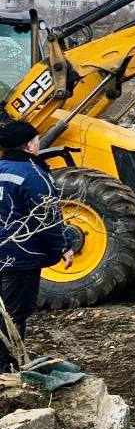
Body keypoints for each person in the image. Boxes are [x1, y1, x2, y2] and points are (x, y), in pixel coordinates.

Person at [0, 121, 74, 372]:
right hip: (20, 256)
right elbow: (47, 219)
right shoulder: (34, 175)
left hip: (4, 251)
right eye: (37, 138)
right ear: (30, 144)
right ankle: (7, 366)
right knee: (14, 314)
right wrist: (63, 246)